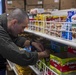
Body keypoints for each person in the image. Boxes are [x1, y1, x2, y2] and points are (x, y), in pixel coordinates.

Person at [0, 8, 50, 75]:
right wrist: (43, 54)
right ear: (14, 22)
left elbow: (15, 39)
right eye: (23, 27)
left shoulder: (5, 24)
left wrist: (32, 43)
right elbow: (18, 56)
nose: (23, 31)